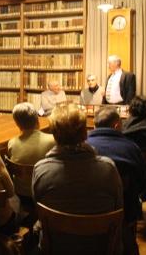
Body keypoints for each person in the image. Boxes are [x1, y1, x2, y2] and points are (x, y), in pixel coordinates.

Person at [32, 103, 123, 253]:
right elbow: (118, 209)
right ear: (85, 133)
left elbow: (39, 210)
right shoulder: (108, 168)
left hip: (57, 247)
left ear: (54, 134)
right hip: (100, 247)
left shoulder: (41, 169)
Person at [87, 106, 146, 255]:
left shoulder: (82, 145)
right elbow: (141, 184)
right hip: (123, 213)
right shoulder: (131, 148)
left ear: (94, 125)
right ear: (117, 125)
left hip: (86, 209)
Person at [8, 102, 55, 198]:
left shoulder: (12, 143)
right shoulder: (52, 140)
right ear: (37, 120)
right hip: (45, 192)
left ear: (17, 123)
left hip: (21, 193)